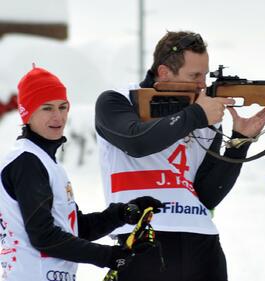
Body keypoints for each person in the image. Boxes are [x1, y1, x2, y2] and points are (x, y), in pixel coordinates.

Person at [95, 30, 265, 281]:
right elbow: (136, 141)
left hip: (201, 243)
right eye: (195, 76)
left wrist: (240, 142)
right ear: (163, 73)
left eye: (205, 74)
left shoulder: (205, 113)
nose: (203, 84)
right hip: (142, 240)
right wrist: (197, 115)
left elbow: (207, 194)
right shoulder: (117, 100)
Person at [0, 65, 163, 281]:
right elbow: (43, 236)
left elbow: (76, 228)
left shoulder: (46, 161)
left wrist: (121, 214)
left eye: (62, 107)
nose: (58, 117)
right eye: (47, 108)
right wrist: (107, 256)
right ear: (27, 114)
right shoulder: (27, 162)